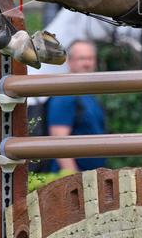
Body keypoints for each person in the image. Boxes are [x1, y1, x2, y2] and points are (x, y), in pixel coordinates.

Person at [45, 40, 106, 173]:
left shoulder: (88, 94)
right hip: (73, 182)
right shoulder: (65, 94)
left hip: (91, 178)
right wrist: (75, 179)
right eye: (81, 58)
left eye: (90, 58)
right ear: (69, 61)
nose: (87, 63)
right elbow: (59, 142)